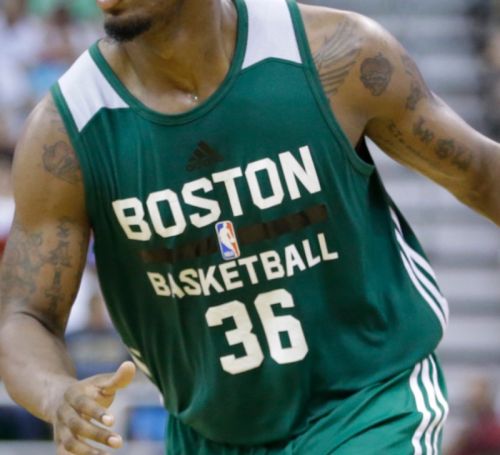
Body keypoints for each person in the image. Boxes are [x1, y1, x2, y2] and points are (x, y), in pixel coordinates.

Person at [0, 0, 498, 454]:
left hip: (367, 403)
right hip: (209, 432)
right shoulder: (66, 131)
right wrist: (56, 393)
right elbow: (25, 315)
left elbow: (478, 172)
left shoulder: (333, 54)